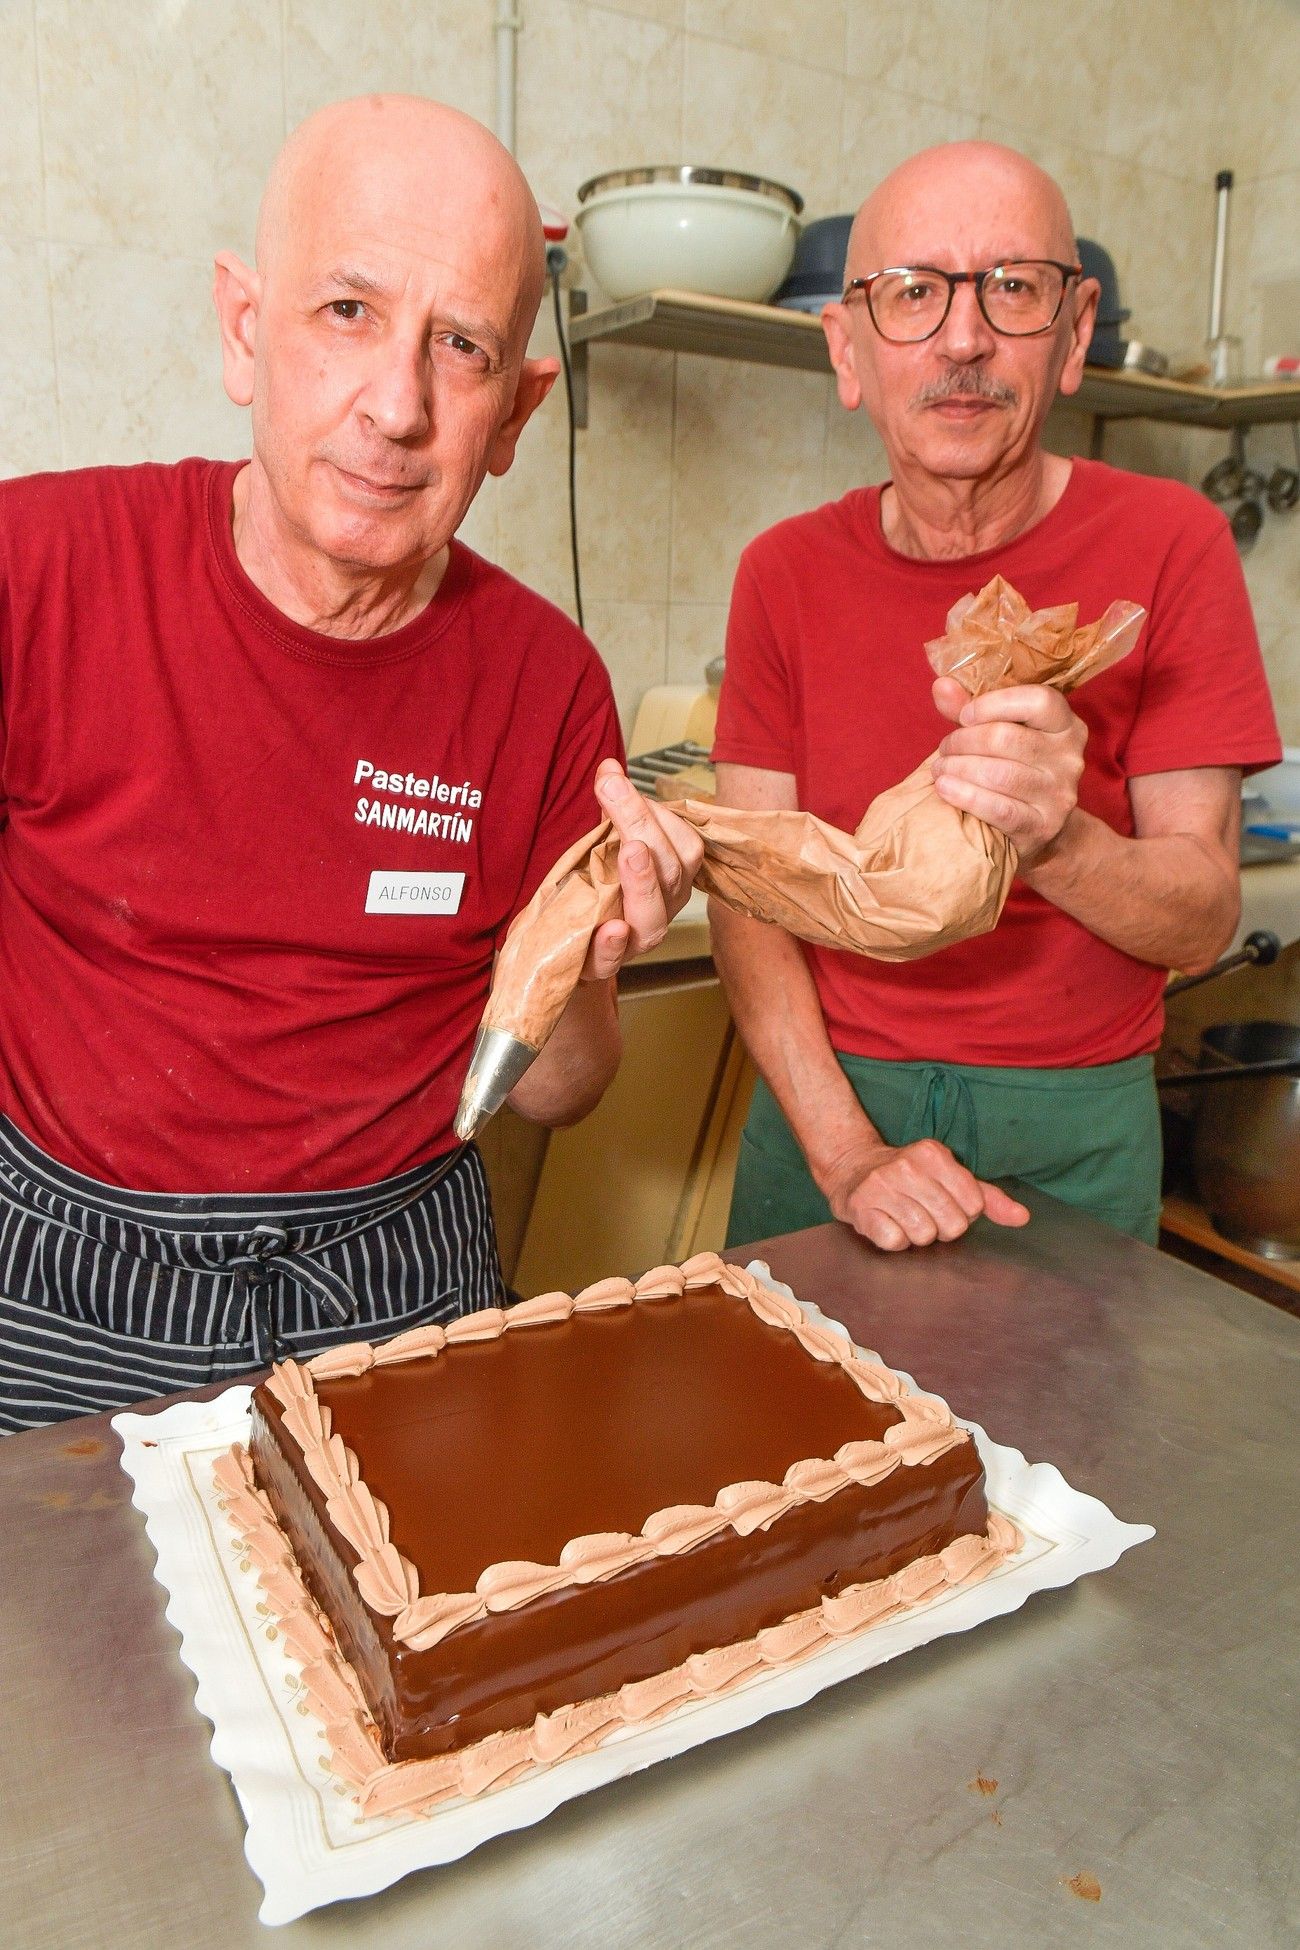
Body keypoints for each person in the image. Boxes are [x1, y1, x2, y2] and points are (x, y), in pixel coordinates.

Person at [0, 96, 702, 1432]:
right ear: (245, 329)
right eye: (347, 313)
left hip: (396, 1294)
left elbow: (562, 1086)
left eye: (463, 345)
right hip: (58, 1294)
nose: (397, 405)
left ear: (514, 411)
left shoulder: (548, 685)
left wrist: (587, 956)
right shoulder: (35, 570)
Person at [710, 141, 1280, 1256]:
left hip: (1073, 1122)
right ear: (848, 350)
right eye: (912, 293)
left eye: (1010, 289)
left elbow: (1204, 915)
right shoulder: (781, 575)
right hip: (828, 1104)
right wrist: (843, 1151)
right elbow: (750, 901)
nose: (961, 338)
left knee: (1065, 1437)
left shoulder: (1173, 546)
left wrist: (1054, 838)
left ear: (1073, 334)